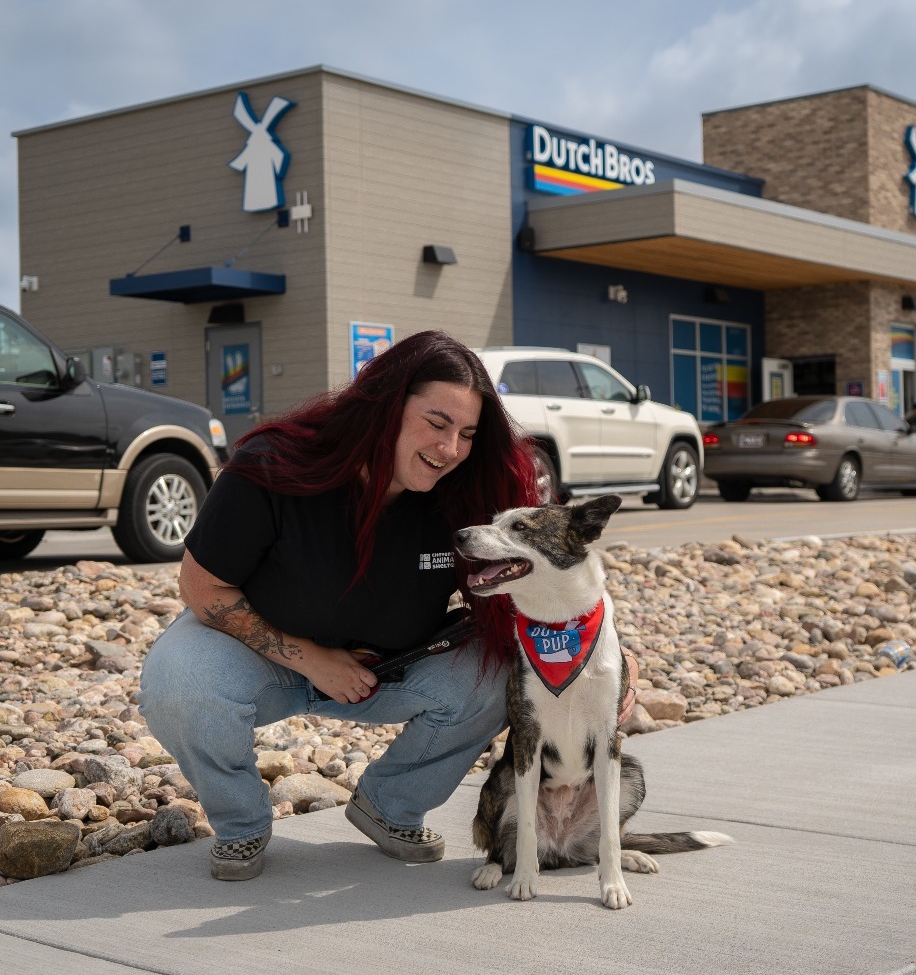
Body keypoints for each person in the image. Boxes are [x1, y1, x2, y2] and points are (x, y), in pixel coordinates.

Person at [139, 329, 641, 881]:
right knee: (177, 676)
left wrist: (608, 658)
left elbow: (547, 573)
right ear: (382, 407)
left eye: (467, 433)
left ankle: (390, 807)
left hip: (397, 667)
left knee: (504, 670)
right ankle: (241, 827)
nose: (450, 450)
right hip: (264, 659)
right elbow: (201, 588)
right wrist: (310, 659)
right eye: (436, 423)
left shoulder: (467, 490)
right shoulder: (274, 465)